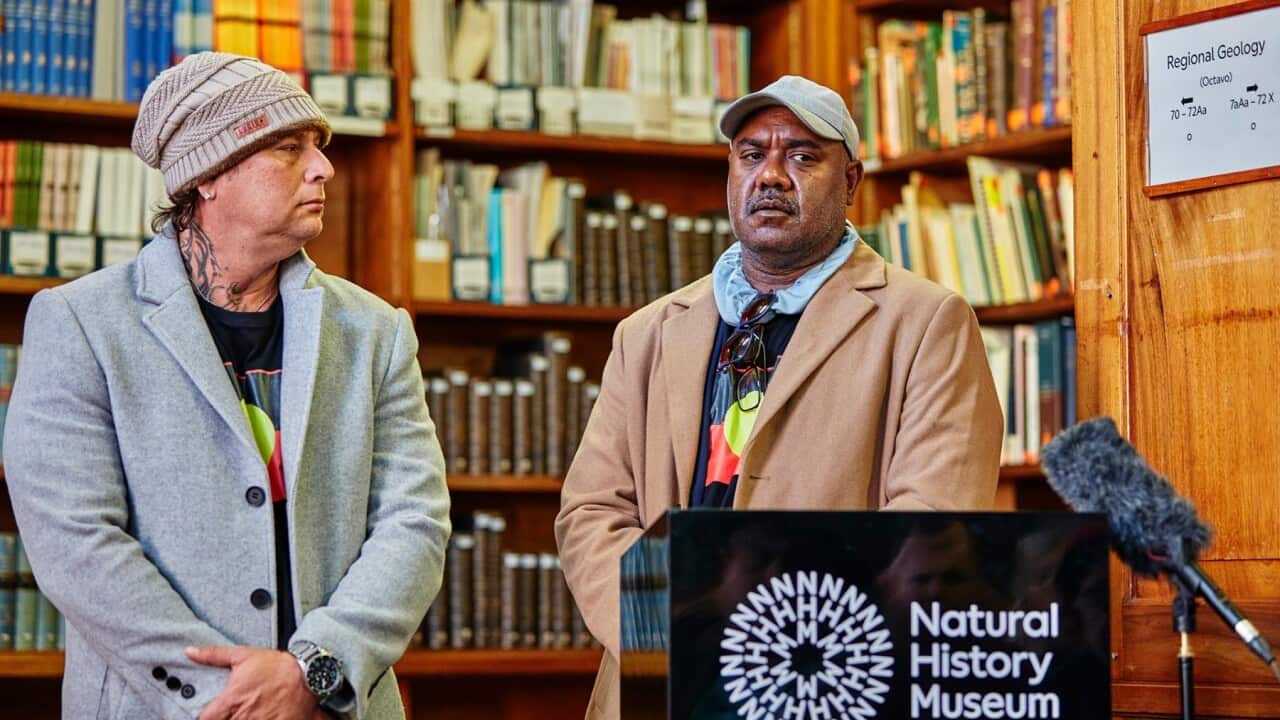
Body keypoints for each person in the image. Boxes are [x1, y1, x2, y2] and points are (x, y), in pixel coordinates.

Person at [2, 52, 450, 720]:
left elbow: (415, 521)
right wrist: (228, 697)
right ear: (208, 175)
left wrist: (314, 672)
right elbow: (76, 544)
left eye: (318, 146)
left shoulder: (375, 331)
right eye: (289, 148)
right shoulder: (82, 325)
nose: (323, 167)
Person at [555, 74, 1003, 719]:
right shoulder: (647, 333)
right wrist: (666, 632)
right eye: (751, 154)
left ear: (850, 181)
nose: (770, 175)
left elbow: (932, 519)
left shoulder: (926, 322)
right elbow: (593, 509)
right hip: (661, 680)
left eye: (801, 156)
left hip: (829, 682)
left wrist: (785, 644)